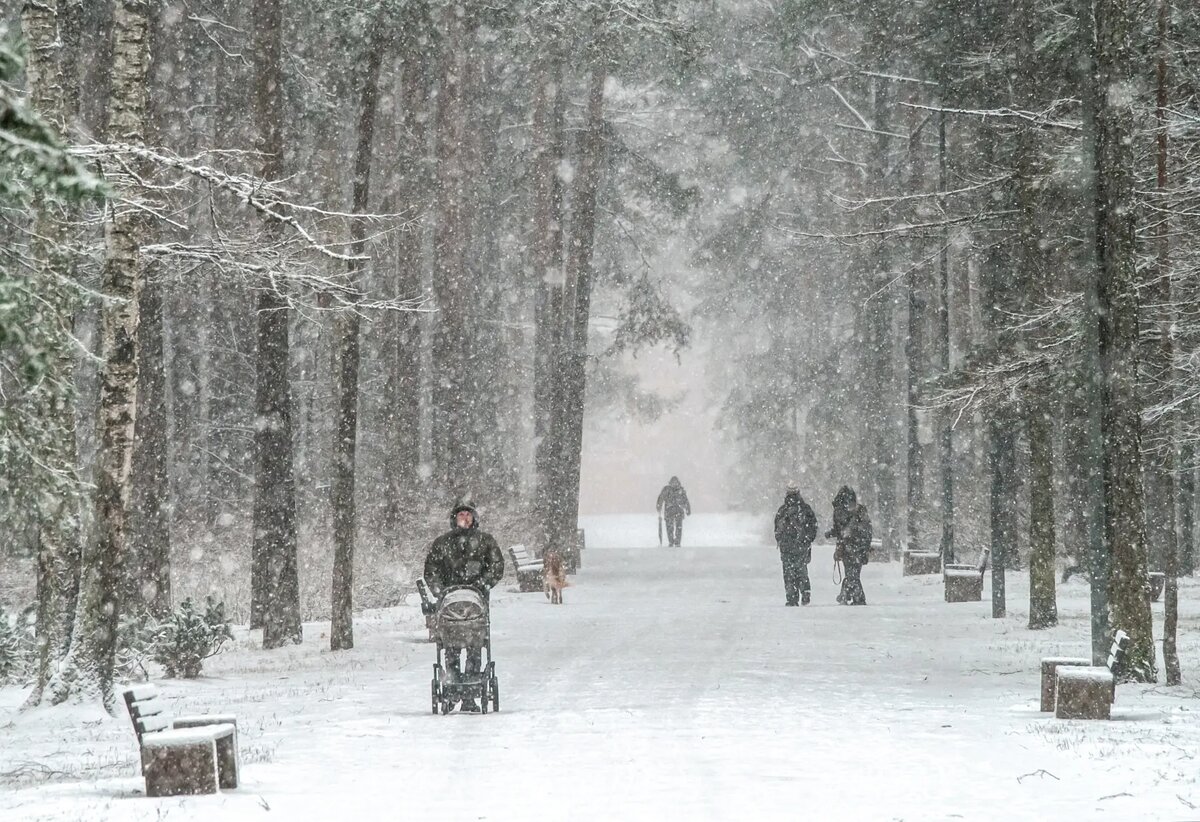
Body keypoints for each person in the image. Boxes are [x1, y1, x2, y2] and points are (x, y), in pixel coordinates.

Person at [423, 502, 505, 711]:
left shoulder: (485, 541)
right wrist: (440, 591)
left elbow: (496, 566)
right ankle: (452, 688)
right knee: (450, 646)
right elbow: (431, 569)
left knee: (475, 646)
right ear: (455, 518)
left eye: (468, 515)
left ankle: (470, 691)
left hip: (476, 600)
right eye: (461, 515)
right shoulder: (442, 543)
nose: (465, 518)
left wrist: (482, 584)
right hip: (449, 601)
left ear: (474, 518)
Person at [827, 486, 872, 606]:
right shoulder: (860, 510)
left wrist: (832, 534)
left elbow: (838, 529)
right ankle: (849, 595)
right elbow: (867, 530)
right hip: (858, 546)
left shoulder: (838, 511)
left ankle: (852, 596)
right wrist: (865, 545)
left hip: (846, 546)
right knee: (854, 573)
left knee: (851, 573)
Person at [774, 483, 818, 606]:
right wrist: (807, 540)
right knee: (801, 571)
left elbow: (777, 528)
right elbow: (813, 526)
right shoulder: (805, 509)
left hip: (787, 547)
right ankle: (805, 592)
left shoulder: (783, 510)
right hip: (801, 546)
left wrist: (781, 540)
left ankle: (792, 598)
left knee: (789, 574)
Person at [656, 476, 691, 547]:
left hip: (678, 512)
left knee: (678, 528)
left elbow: (686, 501)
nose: (674, 484)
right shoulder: (667, 490)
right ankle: (671, 541)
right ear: (670, 483)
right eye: (673, 482)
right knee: (670, 528)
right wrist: (659, 506)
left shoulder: (681, 490)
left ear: (678, 483)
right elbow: (661, 498)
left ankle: (677, 542)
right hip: (669, 512)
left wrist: (688, 509)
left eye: (675, 482)